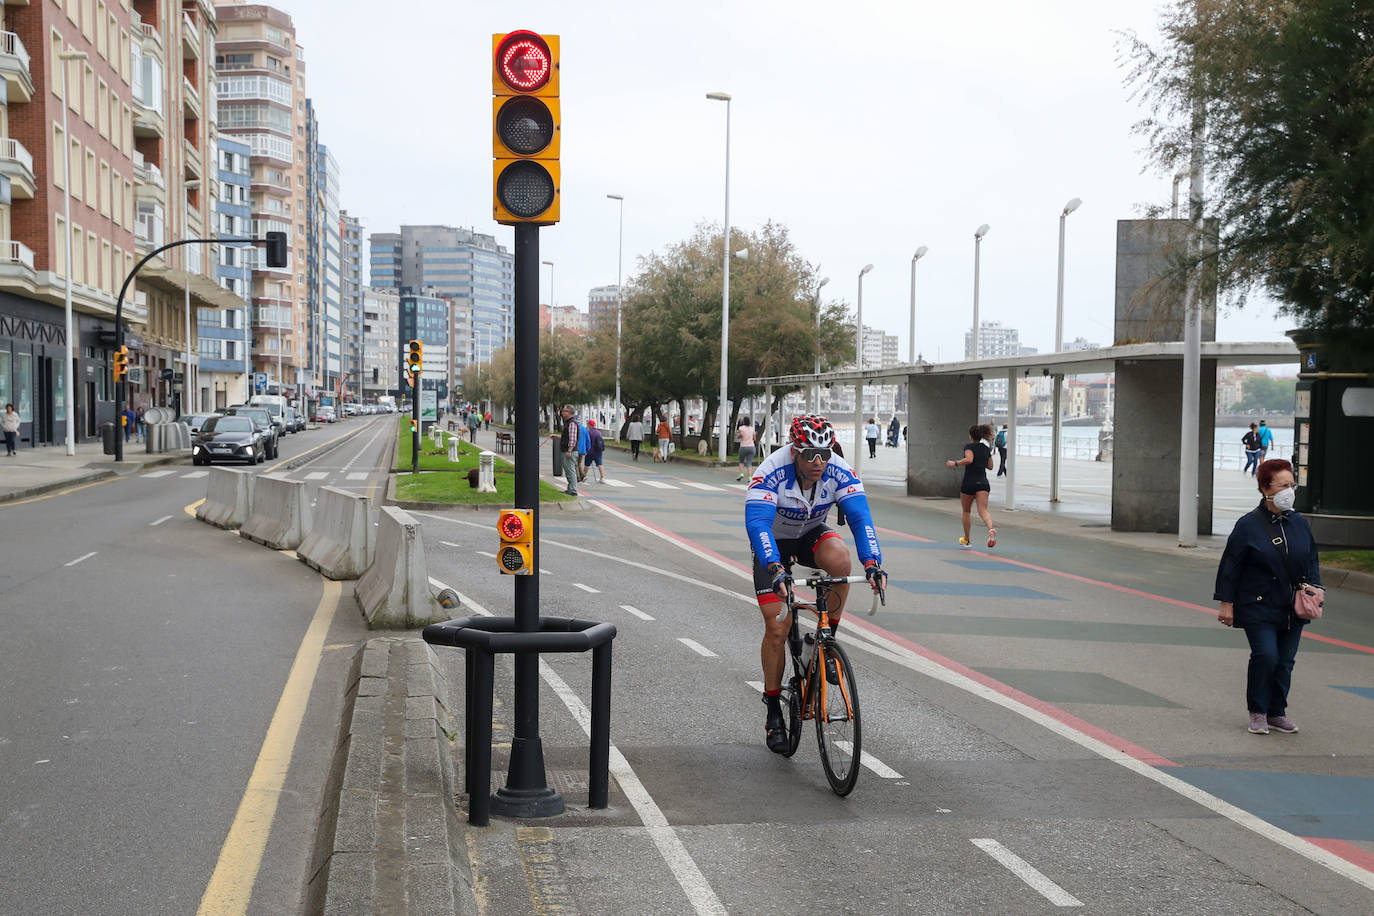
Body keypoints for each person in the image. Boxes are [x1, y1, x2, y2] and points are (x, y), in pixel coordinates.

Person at [745, 415, 887, 753]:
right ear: (794, 451)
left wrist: (873, 562)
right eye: (809, 454)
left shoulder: (838, 469)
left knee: (841, 559)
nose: (818, 462)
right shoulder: (770, 471)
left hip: (809, 536)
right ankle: (773, 709)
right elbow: (758, 525)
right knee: (778, 629)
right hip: (773, 544)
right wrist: (775, 567)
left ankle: (826, 640)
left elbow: (860, 518)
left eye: (824, 453)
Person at [1214, 459, 1320, 735]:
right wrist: (1227, 603)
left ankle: (1276, 712)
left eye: (1292, 485)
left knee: (1286, 661)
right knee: (1266, 656)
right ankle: (1258, 712)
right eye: (1283, 485)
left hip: (1291, 605)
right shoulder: (1248, 525)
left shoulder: (1299, 523)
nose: (1290, 491)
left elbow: (1311, 560)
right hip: (1257, 603)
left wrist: (1316, 590)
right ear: (1265, 488)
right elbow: (1230, 565)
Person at [946, 424, 997, 548]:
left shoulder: (969, 447)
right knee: (983, 511)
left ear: (971, 436)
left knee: (966, 511)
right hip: (983, 483)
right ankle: (991, 529)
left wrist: (955, 463)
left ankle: (967, 539)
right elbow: (990, 466)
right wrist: (981, 461)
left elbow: (969, 459)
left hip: (969, 482)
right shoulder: (985, 448)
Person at [558, 405, 580, 496]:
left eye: (564, 411)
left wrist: (569, 450)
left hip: (569, 451)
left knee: (570, 470)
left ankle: (573, 490)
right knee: (568, 470)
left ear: (569, 412)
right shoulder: (568, 423)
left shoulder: (572, 423)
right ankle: (570, 488)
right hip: (567, 450)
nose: (562, 413)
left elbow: (573, 438)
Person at [735, 416, 757, 481]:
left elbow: (741, 434)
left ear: (743, 422)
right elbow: (754, 438)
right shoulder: (752, 428)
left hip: (743, 446)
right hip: (752, 447)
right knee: (749, 462)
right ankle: (750, 477)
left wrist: (738, 436)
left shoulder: (741, 428)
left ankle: (741, 474)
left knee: (741, 461)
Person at [576, 413, 590, 482]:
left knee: (575, 463)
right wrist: (587, 450)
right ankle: (582, 476)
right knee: (579, 463)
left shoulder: (574, 428)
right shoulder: (585, 429)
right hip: (582, 449)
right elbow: (588, 440)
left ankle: (578, 477)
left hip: (575, 449)